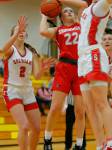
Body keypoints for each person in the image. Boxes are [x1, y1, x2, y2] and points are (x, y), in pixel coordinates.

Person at [40, 1, 87, 150]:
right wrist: (44, 14)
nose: (69, 12)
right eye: (66, 11)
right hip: (64, 68)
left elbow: (84, 5)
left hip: (80, 68)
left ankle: (79, 144)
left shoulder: (81, 25)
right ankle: (47, 140)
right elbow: (42, 31)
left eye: (71, 11)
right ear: (60, 16)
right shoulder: (58, 29)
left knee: (80, 110)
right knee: (55, 107)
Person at [77, 0, 112, 150]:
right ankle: (100, 144)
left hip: (93, 54)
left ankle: (111, 144)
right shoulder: (87, 9)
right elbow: (80, 5)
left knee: (101, 103)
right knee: (89, 107)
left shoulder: (100, 7)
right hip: (82, 59)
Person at [2, 16, 53, 150]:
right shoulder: (10, 50)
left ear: (26, 34)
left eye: (23, 31)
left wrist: (43, 68)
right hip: (12, 90)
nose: (21, 32)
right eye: (18, 30)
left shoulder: (32, 53)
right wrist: (16, 32)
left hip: (27, 91)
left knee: (36, 128)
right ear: (13, 34)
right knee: (24, 126)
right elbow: (3, 49)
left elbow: (36, 75)